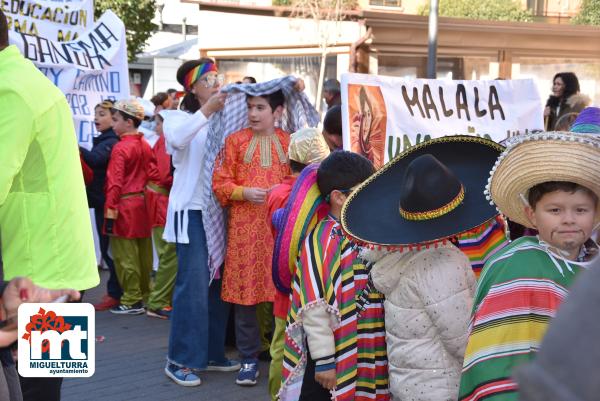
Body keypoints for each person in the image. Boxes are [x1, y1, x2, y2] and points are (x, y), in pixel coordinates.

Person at [341, 136, 505, 401]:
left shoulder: (398, 258)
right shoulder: (441, 264)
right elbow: (462, 340)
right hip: (442, 388)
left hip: (409, 385)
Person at [0, 9, 99, 401]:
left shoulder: (11, 90)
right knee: (41, 389)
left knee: (32, 390)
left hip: (34, 270)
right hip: (53, 265)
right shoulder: (23, 79)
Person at [458, 131, 600, 401]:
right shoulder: (516, 267)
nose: (569, 219)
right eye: (555, 210)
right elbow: (496, 364)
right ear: (531, 215)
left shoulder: (594, 267)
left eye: (580, 210)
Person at [279, 151, 389, 401]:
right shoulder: (323, 240)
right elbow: (313, 304)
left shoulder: (362, 233)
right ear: (339, 197)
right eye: (364, 191)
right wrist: (324, 360)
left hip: (366, 344)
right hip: (334, 353)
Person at [162, 58, 237, 387]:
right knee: (192, 289)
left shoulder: (224, 117)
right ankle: (179, 360)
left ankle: (210, 353)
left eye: (218, 78)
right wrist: (207, 110)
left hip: (219, 213)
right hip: (191, 213)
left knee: (219, 287)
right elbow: (178, 140)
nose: (216, 84)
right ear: (192, 88)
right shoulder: (175, 117)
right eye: (209, 80)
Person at [212, 90, 291, 387]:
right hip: (244, 232)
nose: (254, 113)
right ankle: (247, 359)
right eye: (250, 107)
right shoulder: (235, 141)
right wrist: (244, 192)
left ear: (278, 111)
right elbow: (219, 183)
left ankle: (279, 356)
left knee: (280, 295)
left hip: (280, 230)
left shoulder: (290, 142)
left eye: (260, 107)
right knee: (245, 296)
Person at [266, 127, 330, 401]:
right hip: (309, 286)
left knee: (283, 347)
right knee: (292, 349)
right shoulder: (316, 197)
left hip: (288, 288)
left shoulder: (278, 192)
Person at [104, 99, 154, 315]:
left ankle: (131, 298)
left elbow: (114, 183)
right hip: (142, 203)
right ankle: (144, 295)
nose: (113, 124)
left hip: (124, 204)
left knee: (125, 256)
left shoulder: (120, 147)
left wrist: (109, 213)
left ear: (128, 121)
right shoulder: (145, 144)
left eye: (116, 120)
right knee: (143, 253)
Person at [80, 100, 122, 311]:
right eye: (96, 113)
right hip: (101, 202)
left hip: (109, 204)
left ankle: (117, 294)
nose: (97, 118)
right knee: (108, 251)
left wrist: (74, 145)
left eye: (102, 114)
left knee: (110, 250)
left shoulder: (111, 142)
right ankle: (118, 292)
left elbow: (95, 160)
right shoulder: (105, 141)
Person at [145, 112, 177, 319]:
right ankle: (157, 300)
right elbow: (166, 176)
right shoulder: (165, 140)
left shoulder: (162, 139)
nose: (155, 127)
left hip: (159, 199)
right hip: (162, 201)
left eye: (158, 124)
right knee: (168, 252)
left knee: (164, 252)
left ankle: (158, 298)